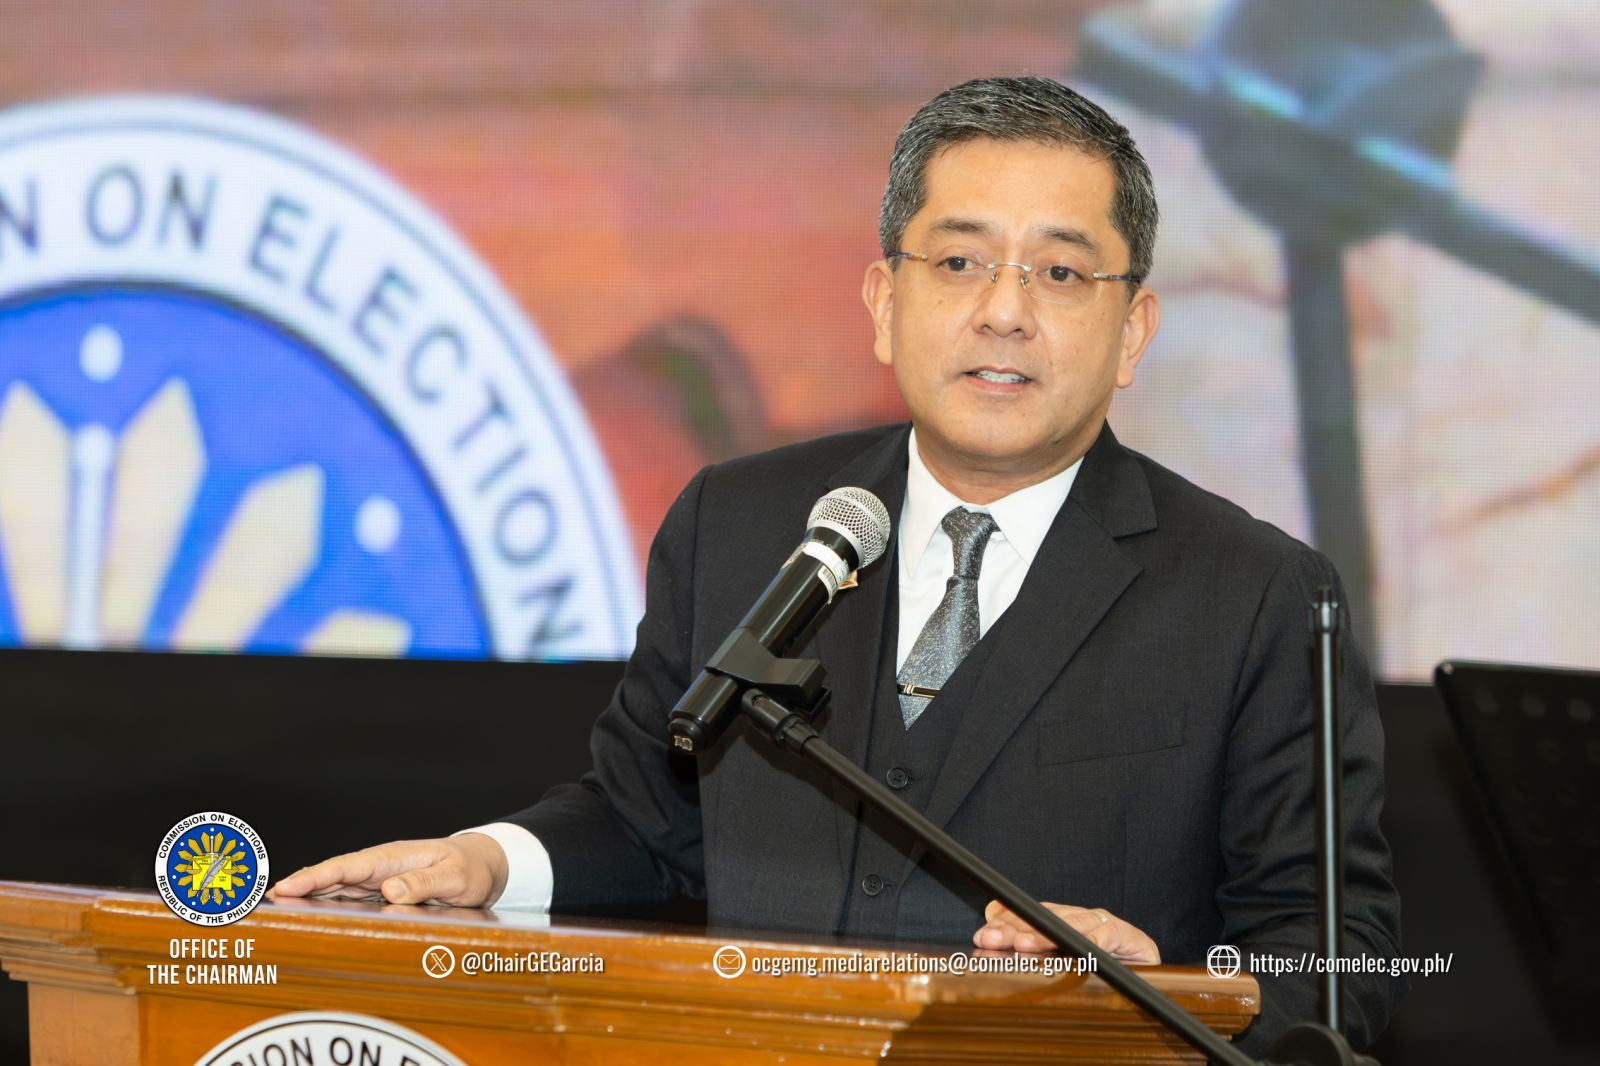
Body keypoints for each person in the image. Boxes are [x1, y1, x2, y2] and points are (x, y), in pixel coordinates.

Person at [269, 75, 1404, 1052]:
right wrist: (484, 861)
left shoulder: (1255, 595)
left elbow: (1344, 964)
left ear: (1134, 332)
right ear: (884, 300)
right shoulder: (744, 521)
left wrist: (1160, 979)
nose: (1003, 311)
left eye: (1059, 275)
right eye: (958, 260)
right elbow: (651, 818)